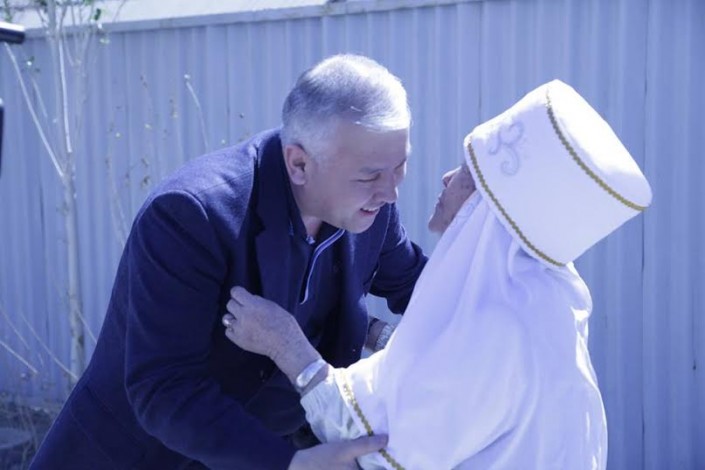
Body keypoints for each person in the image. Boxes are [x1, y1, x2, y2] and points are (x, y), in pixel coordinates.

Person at [222, 80, 653, 469]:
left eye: (468, 173)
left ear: (493, 208)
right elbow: (442, 370)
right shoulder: (537, 297)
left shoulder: (494, 328)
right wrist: (378, 334)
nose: (448, 178)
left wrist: (287, 345)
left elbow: (375, 444)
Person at [31, 54, 427, 469]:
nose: (390, 192)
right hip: (142, 457)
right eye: (369, 176)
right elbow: (164, 388)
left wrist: (471, 232)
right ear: (299, 163)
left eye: (400, 168)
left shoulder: (372, 207)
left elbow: (424, 291)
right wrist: (289, 463)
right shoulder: (191, 214)